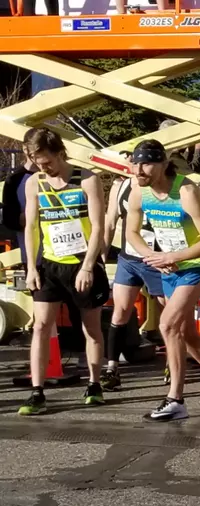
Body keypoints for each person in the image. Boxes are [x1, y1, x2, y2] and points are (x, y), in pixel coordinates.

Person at [124, 139, 200, 421]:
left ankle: (176, 399)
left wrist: (174, 257)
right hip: (167, 266)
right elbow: (131, 233)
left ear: (162, 164)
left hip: (194, 265)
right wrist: (153, 256)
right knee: (183, 331)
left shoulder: (186, 191)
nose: (139, 170)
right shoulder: (139, 191)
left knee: (167, 325)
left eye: (145, 164)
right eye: (135, 164)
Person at [18, 128, 110, 416]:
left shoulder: (86, 179)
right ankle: (37, 391)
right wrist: (31, 266)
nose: (44, 168)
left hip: (82, 262)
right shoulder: (35, 183)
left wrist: (88, 265)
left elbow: (98, 226)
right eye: (38, 163)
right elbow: (30, 226)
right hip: (50, 264)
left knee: (90, 327)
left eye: (48, 162)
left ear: (60, 153)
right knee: (41, 326)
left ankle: (95, 384)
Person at [101, 153, 167, 391]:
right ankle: (111, 368)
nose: (135, 167)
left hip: (156, 258)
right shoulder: (120, 187)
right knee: (119, 312)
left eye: (140, 163)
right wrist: (101, 252)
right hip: (129, 258)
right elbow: (110, 222)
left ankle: (171, 362)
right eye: (131, 162)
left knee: (169, 314)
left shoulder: (160, 187)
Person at [2, 139, 38, 269]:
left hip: (64, 258)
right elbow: (9, 219)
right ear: (25, 149)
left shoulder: (56, 176)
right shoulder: (14, 179)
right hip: (34, 259)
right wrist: (28, 216)